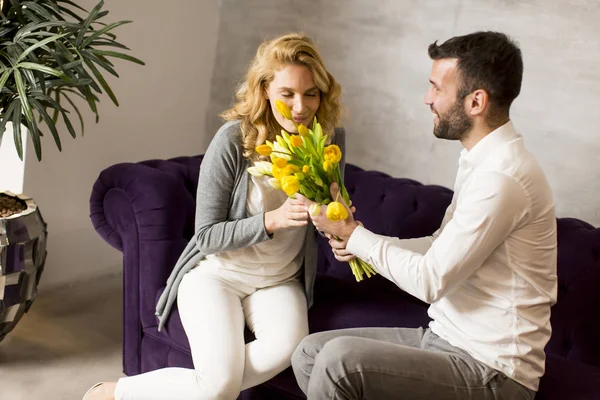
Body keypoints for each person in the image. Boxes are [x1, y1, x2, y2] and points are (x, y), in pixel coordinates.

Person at [292, 31, 557, 400]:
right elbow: (438, 247)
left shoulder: (502, 178)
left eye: (437, 88)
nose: (427, 99)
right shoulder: (481, 161)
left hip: (493, 371)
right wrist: (363, 242)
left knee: (340, 361)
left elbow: (431, 280)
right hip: (445, 340)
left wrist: (355, 237)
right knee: (309, 354)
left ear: (475, 101)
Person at [83, 32, 345, 400]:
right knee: (219, 386)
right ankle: (111, 393)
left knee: (280, 353)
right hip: (217, 276)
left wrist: (340, 221)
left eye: (311, 93)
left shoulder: (328, 138)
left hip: (280, 281)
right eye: (287, 94)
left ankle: (183, 390)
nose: (300, 106)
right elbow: (206, 235)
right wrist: (271, 221)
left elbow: (330, 212)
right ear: (266, 89)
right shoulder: (233, 141)